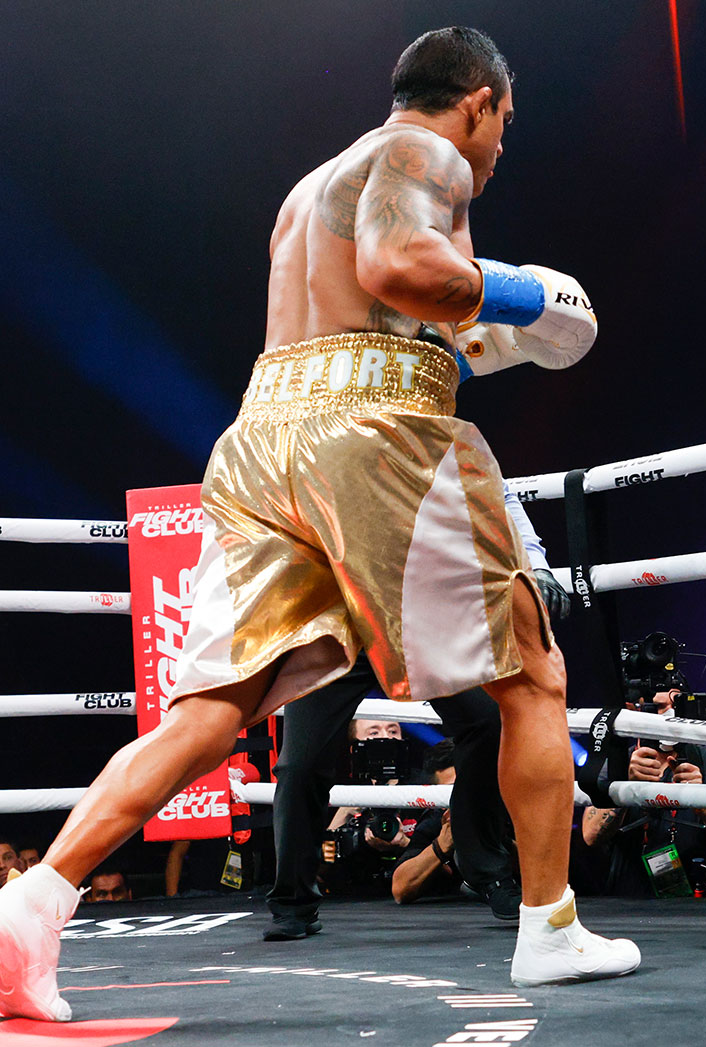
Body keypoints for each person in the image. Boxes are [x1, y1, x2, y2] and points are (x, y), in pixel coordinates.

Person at [0, 27, 637, 1023]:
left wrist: (496, 338)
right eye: (504, 123)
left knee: (214, 709)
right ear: (475, 101)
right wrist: (529, 293)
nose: (501, 147)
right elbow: (397, 270)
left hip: (263, 439)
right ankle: (551, 931)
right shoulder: (424, 153)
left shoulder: (309, 191)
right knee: (532, 671)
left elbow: (372, 319)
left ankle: (34, 905)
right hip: (373, 435)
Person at [264, 483, 564, 939]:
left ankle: (487, 869)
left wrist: (536, 567)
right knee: (300, 764)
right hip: (334, 620)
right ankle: (293, 900)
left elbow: (494, 494)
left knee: (487, 721)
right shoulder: (309, 433)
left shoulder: (427, 425)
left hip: (417, 615)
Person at [581, 688, 706, 897]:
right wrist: (624, 785)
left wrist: (700, 799)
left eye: (676, 706)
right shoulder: (618, 763)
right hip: (627, 900)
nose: (670, 715)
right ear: (637, 710)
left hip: (694, 896)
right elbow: (590, 835)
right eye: (660, 707)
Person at [391, 741, 465, 903]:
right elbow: (400, 889)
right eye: (452, 789)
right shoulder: (436, 821)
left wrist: (495, 839)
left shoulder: (512, 811)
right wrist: (442, 845)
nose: (464, 795)